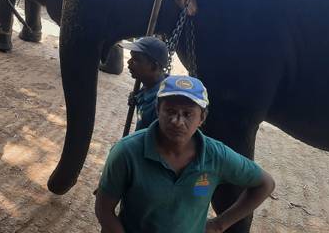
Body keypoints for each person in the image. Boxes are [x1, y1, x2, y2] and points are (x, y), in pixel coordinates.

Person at [96, 75, 275, 233]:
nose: (177, 121)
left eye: (187, 114)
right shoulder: (127, 152)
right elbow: (104, 210)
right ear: (158, 109)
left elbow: (265, 184)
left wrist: (218, 225)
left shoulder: (216, 156)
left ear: (202, 117)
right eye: (170, 111)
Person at [121, 36, 169, 131]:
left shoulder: (159, 104)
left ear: (154, 66)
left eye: (136, 59)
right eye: (131, 57)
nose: (129, 62)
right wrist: (137, 97)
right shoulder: (149, 84)